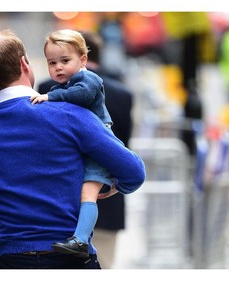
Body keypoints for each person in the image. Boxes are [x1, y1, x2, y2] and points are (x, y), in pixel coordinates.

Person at [0, 29, 146, 269]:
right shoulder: (71, 114)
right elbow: (134, 171)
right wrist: (112, 187)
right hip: (69, 257)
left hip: (12, 258)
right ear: (24, 63)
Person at [37, 30, 134, 268]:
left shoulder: (48, 89)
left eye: (64, 59)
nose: (59, 67)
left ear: (83, 58)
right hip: (107, 200)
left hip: (59, 200)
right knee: (103, 264)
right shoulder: (123, 93)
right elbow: (124, 145)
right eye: (53, 62)